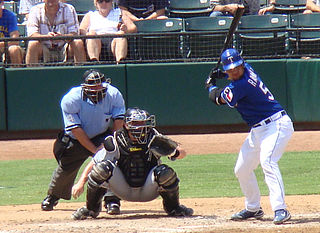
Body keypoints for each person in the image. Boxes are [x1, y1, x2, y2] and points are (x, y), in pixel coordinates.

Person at [205, 48, 294, 224]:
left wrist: (210, 85)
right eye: (230, 69)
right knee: (242, 169)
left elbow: (218, 99)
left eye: (237, 67)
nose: (234, 71)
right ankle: (253, 208)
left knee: (268, 161)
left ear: (242, 64)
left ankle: (280, 209)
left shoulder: (240, 85)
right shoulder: (249, 69)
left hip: (276, 125)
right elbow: (232, 76)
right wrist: (222, 74)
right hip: (258, 130)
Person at [70, 107, 194, 220]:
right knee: (101, 168)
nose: (140, 127)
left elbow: (182, 153)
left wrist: (173, 152)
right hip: (122, 188)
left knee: (165, 172)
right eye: (135, 123)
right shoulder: (116, 140)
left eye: (143, 123)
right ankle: (91, 209)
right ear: (126, 125)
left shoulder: (154, 137)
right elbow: (95, 161)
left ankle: (174, 208)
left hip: (148, 188)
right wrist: (80, 182)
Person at [41, 69, 126, 216]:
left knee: (112, 162)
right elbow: (76, 130)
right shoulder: (71, 99)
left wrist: (112, 143)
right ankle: (53, 196)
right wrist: (95, 151)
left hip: (102, 134)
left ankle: (112, 200)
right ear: (84, 87)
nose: (97, 89)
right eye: (93, 87)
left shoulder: (114, 94)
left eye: (100, 85)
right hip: (77, 138)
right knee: (66, 167)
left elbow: (118, 121)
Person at [25, 0, 86, 66]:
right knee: (33, 43)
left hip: (65, 46)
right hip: (43, 47)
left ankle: (81, 74)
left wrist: (62, 37)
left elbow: (74, 33)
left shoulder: (69, 9)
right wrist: (46, 37)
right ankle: (31, 75)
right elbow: (32, 34)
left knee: (78, 42)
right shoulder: (35, 10)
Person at [0, 0, 23, 66]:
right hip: (5, 44)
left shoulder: (10, 16)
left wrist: (1, 44)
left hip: (6, 47)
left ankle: (16, 75)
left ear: (2, 3)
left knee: (14, 49)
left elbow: (15, 40)